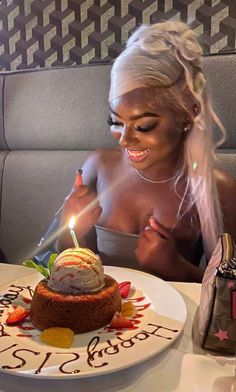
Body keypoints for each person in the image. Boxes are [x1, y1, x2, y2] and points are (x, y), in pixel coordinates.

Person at [37, 21, 236, 282]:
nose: (125, 140)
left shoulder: (219, 189)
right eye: (116, 123)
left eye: (144, 126)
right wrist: (68, 230)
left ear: (189, 114)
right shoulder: (99, 165)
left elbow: (229, 296)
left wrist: (176, 267)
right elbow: (67, 266)